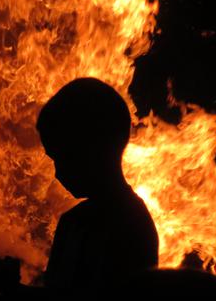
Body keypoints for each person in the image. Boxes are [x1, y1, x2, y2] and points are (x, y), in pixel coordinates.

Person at [37, 77, 159, 291]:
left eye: (64, 156)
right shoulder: (71, 222)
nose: (57, 173)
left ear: (95, 148)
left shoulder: (130, 227)